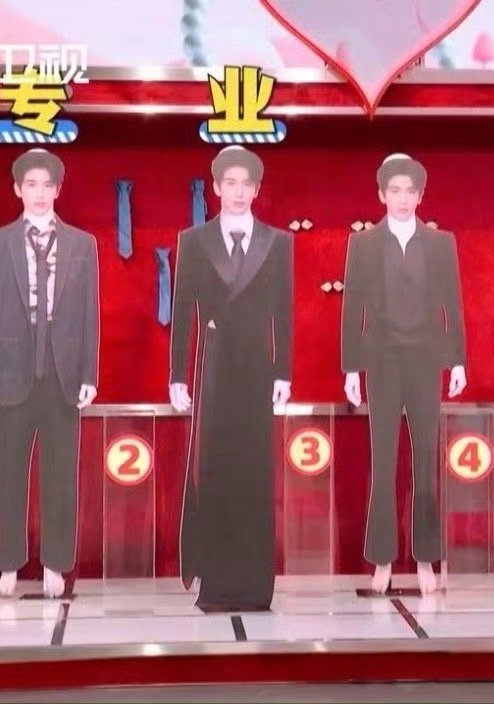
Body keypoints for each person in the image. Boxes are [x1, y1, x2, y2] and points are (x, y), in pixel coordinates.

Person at [169, 146, 293, 612]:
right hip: (215, 363)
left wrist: (284, 372)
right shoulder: (194, 240)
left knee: (256, 472)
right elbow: (183, 311)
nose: (238, 192)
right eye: (231, 183)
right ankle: (217, 582)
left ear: (257, 189)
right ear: (217, 186)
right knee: (216, 468)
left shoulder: (277, 242)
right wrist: (177, 376)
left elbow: (284, 312)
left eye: (247, 184)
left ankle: (256, 585)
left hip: (257, 365)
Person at [0, 148, 99, 598]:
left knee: (61, 473)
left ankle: (55, 564)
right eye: (31, 185)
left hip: (64, 374)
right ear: (17, 189)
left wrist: (90, 373)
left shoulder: (82, 244)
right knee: (9, 471)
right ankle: (8, 563)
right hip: (11, 372)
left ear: (58, 190)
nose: (40, 193)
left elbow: (89, 315)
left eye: (47, 185)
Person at [341, 154, 467, 595]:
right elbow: (352, 307)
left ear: (420, 196)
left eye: (409, 191)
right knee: (383, 460)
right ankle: (382, 560)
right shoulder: (363, 244)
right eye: (394, 190)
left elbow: (452, 302)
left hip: (425, 360)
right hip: (381, 360)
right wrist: (351, 367)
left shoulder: (440, 243)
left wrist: (457, 360)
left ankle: (427, 559)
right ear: (381, 194)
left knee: (426, 459)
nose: (401, 198)